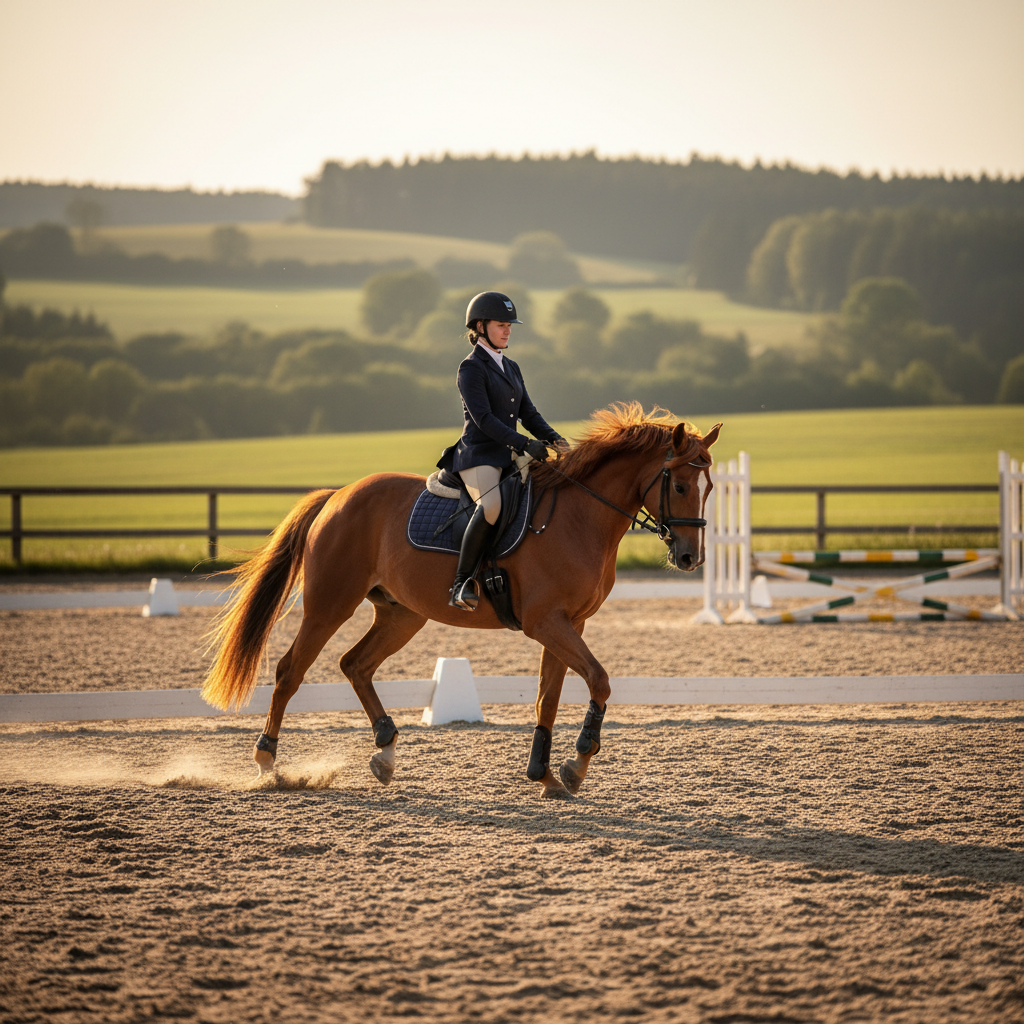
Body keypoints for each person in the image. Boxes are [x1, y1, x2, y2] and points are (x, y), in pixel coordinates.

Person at [437, 290, 567, 611]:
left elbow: (529, 414)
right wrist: (525, 444)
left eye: (510, 325)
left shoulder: (512, 367)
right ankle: (461, 582)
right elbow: (483, 419)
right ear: (480, 327)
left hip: (509, 453)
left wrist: (557, 441)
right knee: (492, 506)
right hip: (479, 455)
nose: (508, 330)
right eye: (501, 324)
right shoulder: (471, 368)